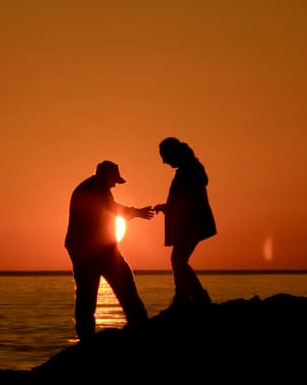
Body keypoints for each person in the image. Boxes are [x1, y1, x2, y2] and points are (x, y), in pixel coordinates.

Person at [64, 160, 154, 341]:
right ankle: (138, 327)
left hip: (97, 249)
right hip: (91, 251)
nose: (115, 185)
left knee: (91, 294)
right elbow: (113, 208)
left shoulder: (96, 188)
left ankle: (90, 337)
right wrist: (137, 212)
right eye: (114, 181)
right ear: (105, 177)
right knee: (97, 292)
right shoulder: (91, 190)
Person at [154, 137, 217, 308]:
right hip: (191, 223)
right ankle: (189, 296)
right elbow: (183, 199)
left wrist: (168, 208)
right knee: (179, 260)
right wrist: (167, 207)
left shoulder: (188, 171)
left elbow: (186, 200)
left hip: (191, 224)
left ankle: (190, 297)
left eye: (165, 157)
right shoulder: (190, 169)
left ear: (172, 154)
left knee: (178, 260)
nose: (164, 162)